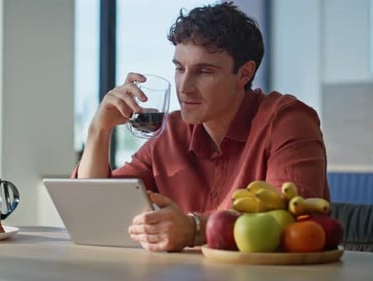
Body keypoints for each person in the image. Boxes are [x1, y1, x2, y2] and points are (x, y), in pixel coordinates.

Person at [73, 2, 330, 252]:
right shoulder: (171, 132)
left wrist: (195, 229)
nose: (184, 87)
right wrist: (99, 130)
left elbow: (285, 221)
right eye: (179, 68)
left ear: (244, 73)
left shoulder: (289, 121)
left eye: (204, 71)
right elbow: (94, 210)